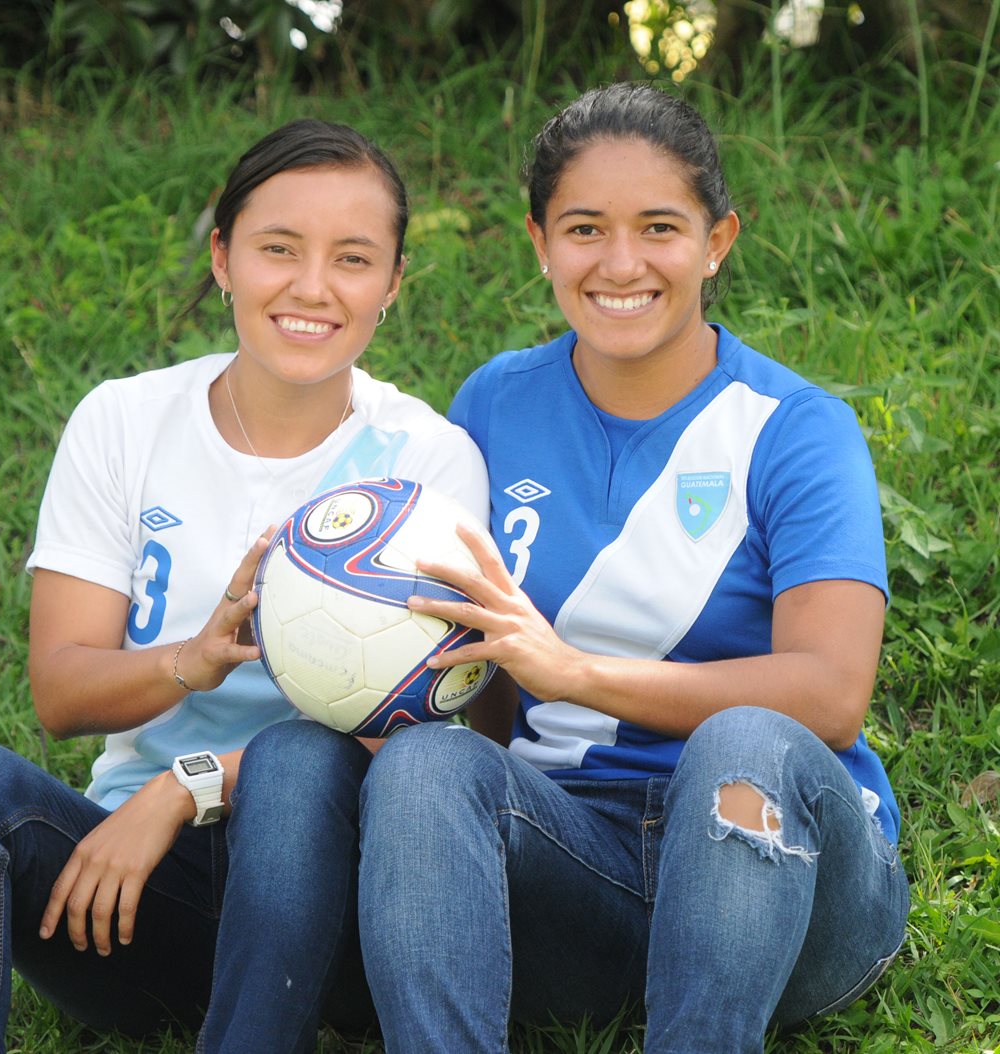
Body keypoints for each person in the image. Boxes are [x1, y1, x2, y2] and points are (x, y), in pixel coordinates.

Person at [0, 118, 488, 1053]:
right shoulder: (124, 421)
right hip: (133, 895)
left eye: (354, 259)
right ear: (222, 258)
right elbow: (62, 690)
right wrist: (189, 661)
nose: (312, 287)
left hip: (339, 912)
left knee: (299, 759)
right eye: (278, 249)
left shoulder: (427, 467)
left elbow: (428, 745)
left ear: (394, 283)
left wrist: (184, 786)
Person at [351, 82, 911, 1053]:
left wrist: (576, 673)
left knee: (750, 739)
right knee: (428, 764)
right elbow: (473, 652)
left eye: (660, 227)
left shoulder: (796, 430)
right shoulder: (494, 402)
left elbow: (828, 696)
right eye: (583, 228)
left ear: (717, 241)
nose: (621, 263)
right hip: (582, 859)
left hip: (792, 877)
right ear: (539, 242)